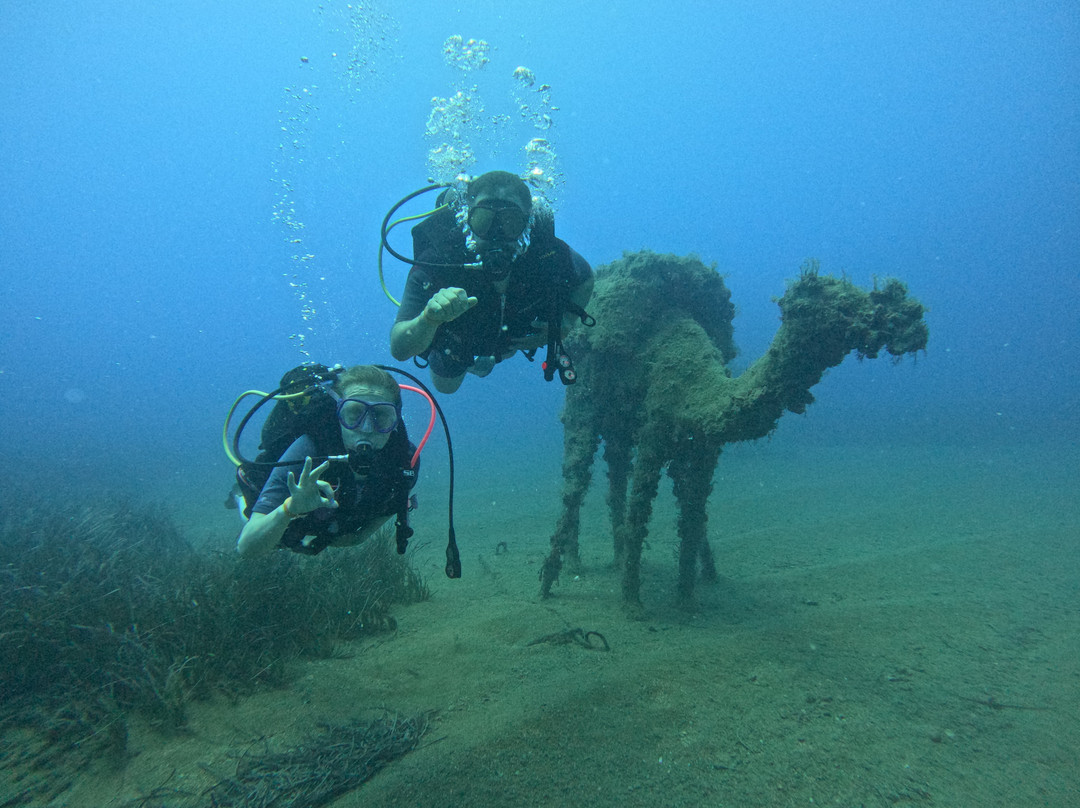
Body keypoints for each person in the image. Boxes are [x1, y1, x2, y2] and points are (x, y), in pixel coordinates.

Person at [389, 170, 594, 393]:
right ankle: (472, 361)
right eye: (484, 220)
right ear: (467, 218)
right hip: (460, 342)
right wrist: (428, 319)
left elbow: (586, 277)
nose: (496, 233)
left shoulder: (546, 252)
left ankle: (491, 355)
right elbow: (399, 349)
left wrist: (566, 323)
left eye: (510, 222)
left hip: (511, 334)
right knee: (445, 387)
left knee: (504, 351)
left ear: (527, 222)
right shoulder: (439, 261)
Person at [236, 365, 419, 558]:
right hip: (294, 520)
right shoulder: (309, 450)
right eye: (354, 413)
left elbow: (362, 533)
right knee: (277, 540)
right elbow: (246, 547)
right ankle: (238, 497)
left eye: (381, 416)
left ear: (395, 420)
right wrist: (289, 509)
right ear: (338, 414)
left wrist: (355, 537)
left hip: (335, 523)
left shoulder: (405, 459)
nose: (366, 428)